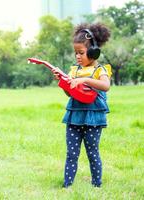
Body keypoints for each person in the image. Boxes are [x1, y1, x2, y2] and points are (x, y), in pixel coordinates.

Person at [52, 23, 112, 188]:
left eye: (81, 53)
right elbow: (71, 94)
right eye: (75, 53)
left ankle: (96, 185)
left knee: (92, 152)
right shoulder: (74, 71)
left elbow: (106, 86)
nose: (77, 56)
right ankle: (67, 185)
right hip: (74, 116)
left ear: (93, 52)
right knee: (71, 153)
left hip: (93, 118)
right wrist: (63, 82)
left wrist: (84, 79)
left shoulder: (101, 70)